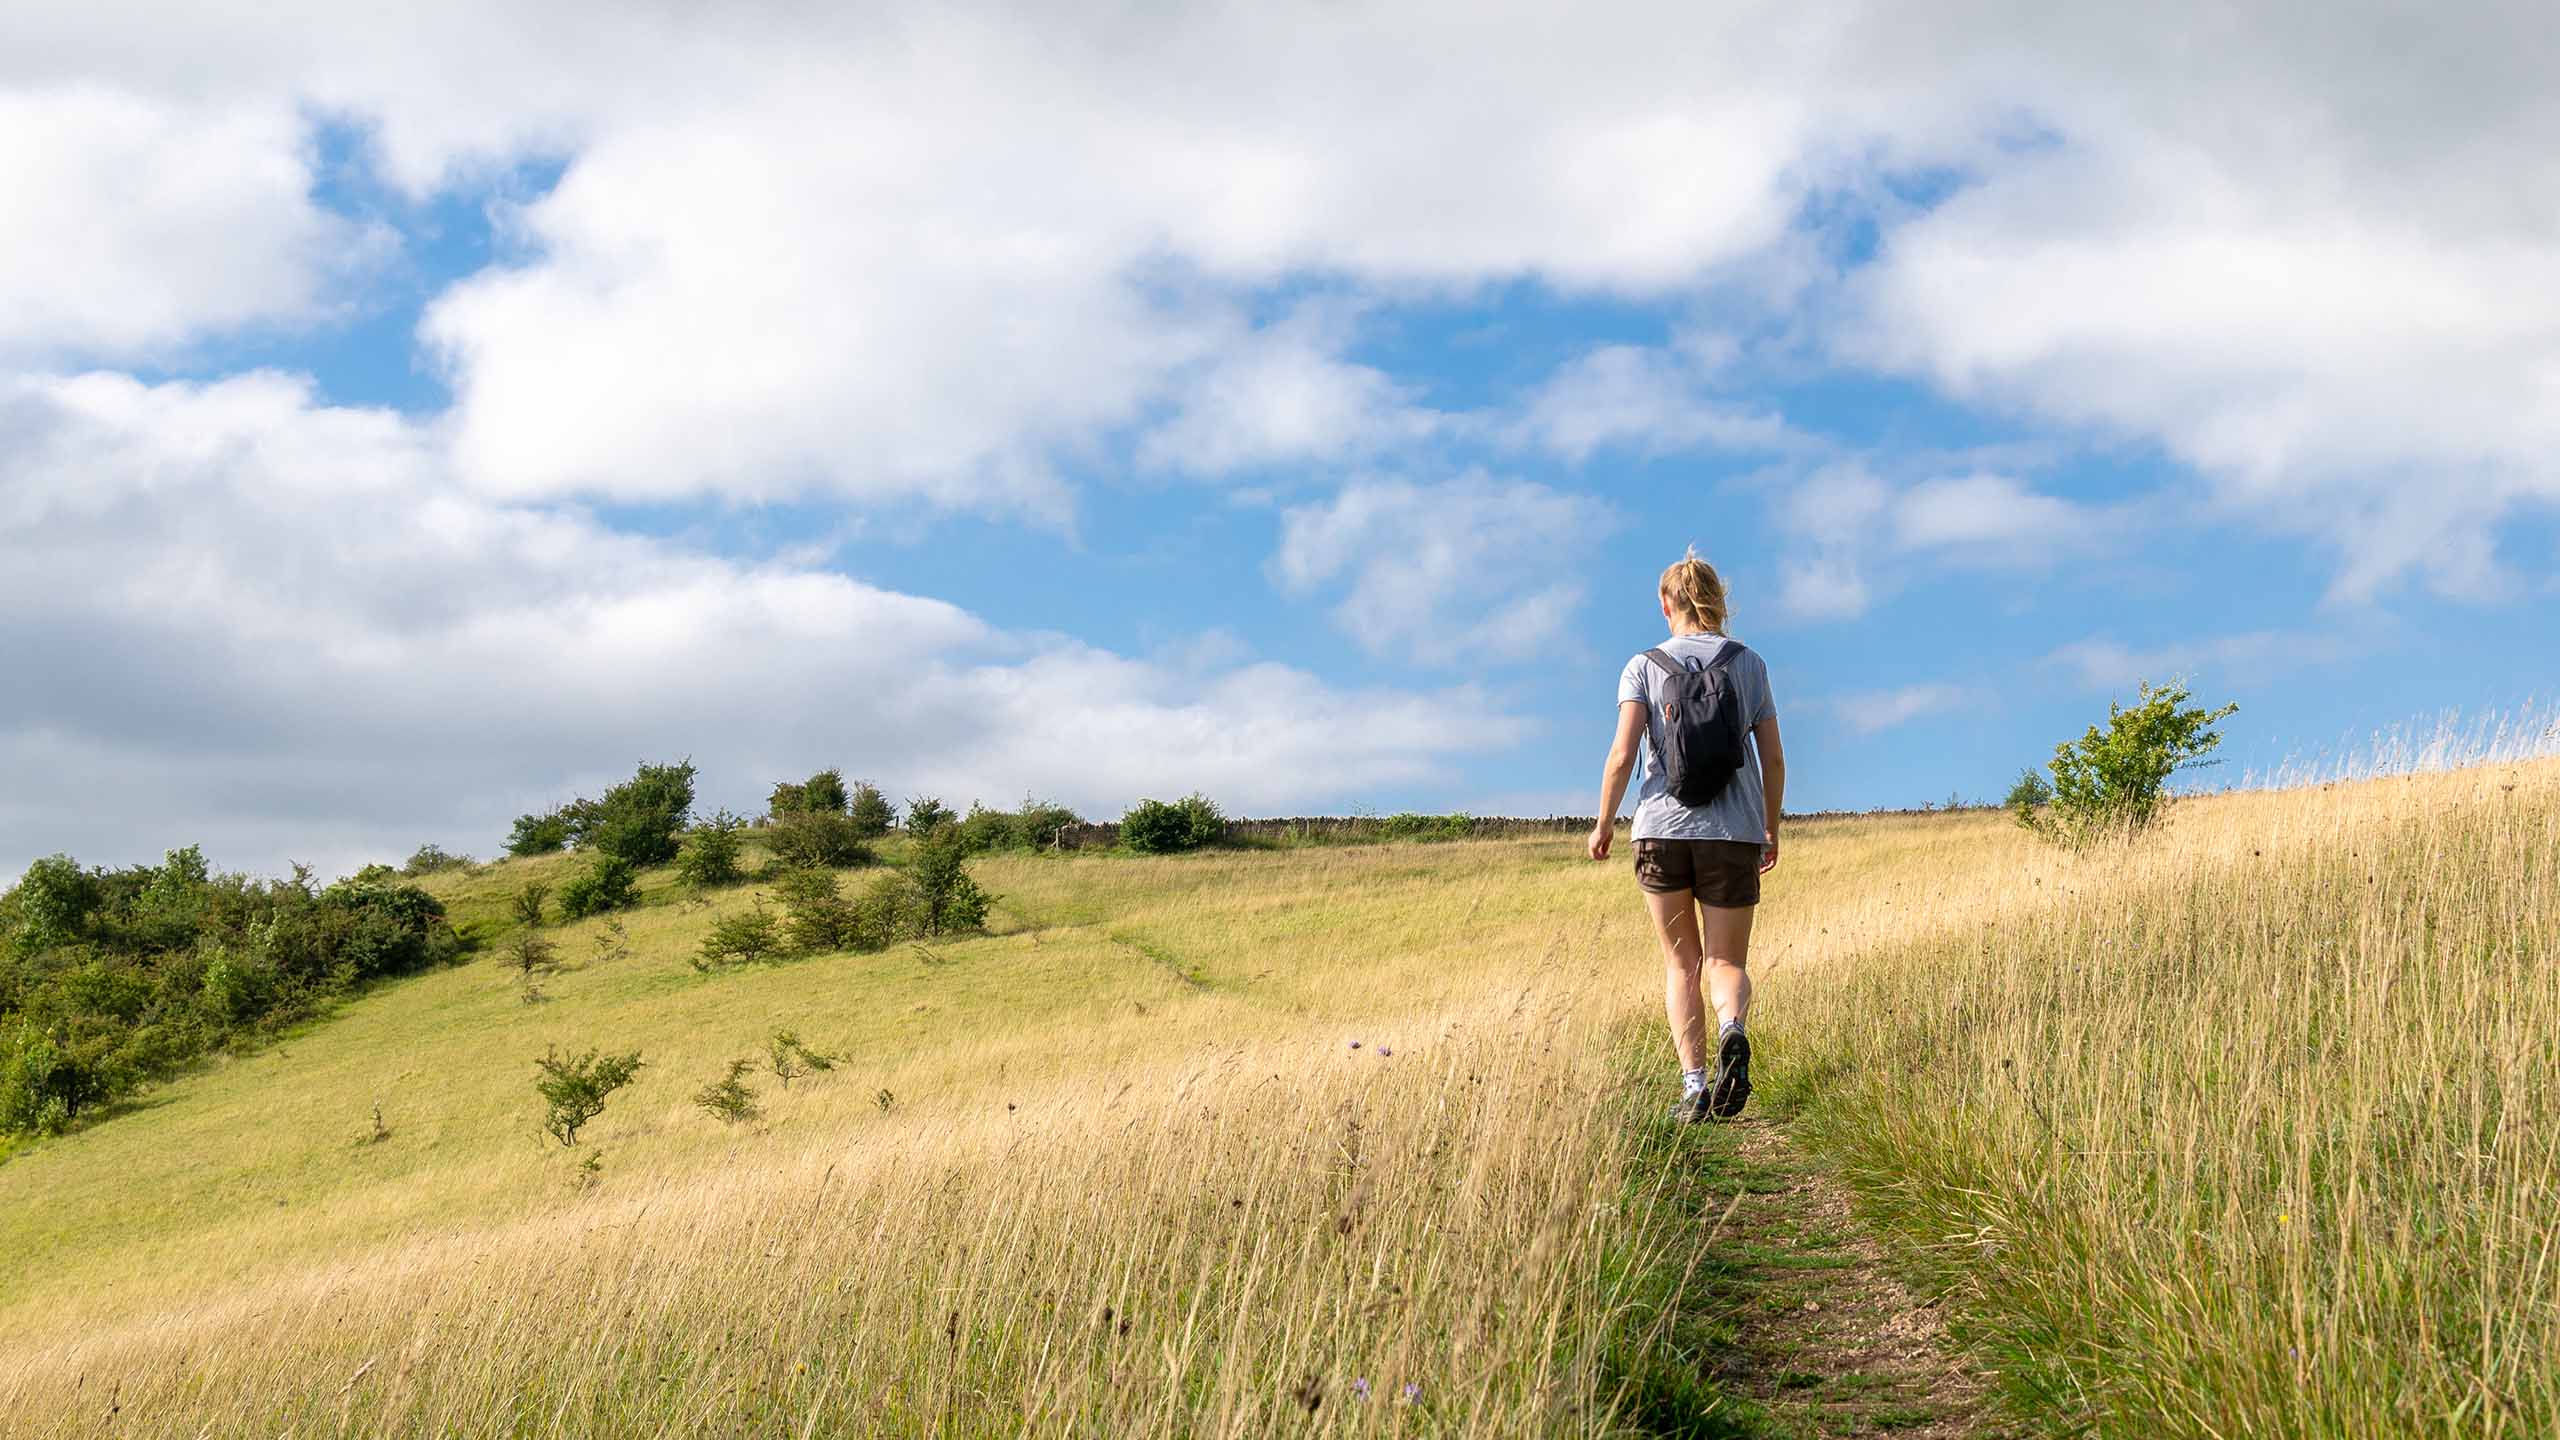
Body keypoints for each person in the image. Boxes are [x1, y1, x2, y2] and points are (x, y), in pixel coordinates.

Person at [1587, 548, 1784, 1123]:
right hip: (1733, 834)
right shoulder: (1749, 665)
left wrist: (1603, 823)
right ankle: (1732, 1028)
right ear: (1718, 602)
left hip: (1661, 835)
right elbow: (1772, 757)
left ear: (1665, 604)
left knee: (1682, 965)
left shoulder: (1643, 666)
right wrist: (1769, 826)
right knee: (1724, 961)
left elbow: (1623, 754)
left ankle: (1695, 1087)